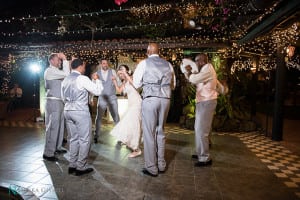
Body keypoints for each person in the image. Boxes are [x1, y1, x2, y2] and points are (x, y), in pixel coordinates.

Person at [133, 43, 176, 177]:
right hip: (165, 99)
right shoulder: (168, 64)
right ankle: (161, 164)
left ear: (148, 52)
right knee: (161, 131)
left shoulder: (144, 63)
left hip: (151, 98)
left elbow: (136, 84)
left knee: (149, 133)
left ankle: (151, 167)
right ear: (159, 52)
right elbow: (173, 85)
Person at [61, 58, 103, 176]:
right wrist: (97, 80)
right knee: (85, 139)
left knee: (73, 138)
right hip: (80, 111)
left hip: (68, 110)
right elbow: (97, 91)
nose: (84, 69)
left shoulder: (65, 79)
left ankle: (72, 164)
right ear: (80, 66)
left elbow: (62, 97)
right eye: (84, 66)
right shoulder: (82, 78)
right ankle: (81, 166)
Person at [184, 53, 218, 167]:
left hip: (207, 102)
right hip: (203, 102)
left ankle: (205, 158)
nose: (195, 64)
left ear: (201, 61)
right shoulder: (204, 70)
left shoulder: (207, 69)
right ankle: (200, 153)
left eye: (196, 61)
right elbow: (194, 81)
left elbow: (194, 79)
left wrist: (188, 72)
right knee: (199, 129)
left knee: (202, 130)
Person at [110, 65, 142, 158]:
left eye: (122, 70)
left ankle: (136, 149)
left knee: (133, 125)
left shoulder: (132, 78)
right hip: (131, 104)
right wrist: (115, 81)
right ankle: (132, 143)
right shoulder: (124, 81)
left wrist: (125, 74)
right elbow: (120, 91)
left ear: (127, 71)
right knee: (130, 125)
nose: (121, 73)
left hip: (137, 104)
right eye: (120, 71)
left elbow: (136, 85)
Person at [43, 53, 70, 162]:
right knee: (52, 127)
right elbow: (67, 74)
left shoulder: (56, 71)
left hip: (59, 101)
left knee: (60, 126)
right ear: (51, 61)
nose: (60, 62)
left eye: (60, 60)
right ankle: (48, 153)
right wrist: (65, 59)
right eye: (58, 60)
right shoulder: (50, 71)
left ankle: (57, 147)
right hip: (53, 101)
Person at [93, 58, 120, 143]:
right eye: (104, 63)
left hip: (112, 97)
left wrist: (115, 80)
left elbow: (118, 83)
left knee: (116, 116)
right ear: (101, 64)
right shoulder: (96, 74)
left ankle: (119, 136)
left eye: (106, 63)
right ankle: (96, 135)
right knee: (99, 117)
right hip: (102, 98)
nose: (105, 65)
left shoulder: (113, 72)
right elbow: (93, 87)